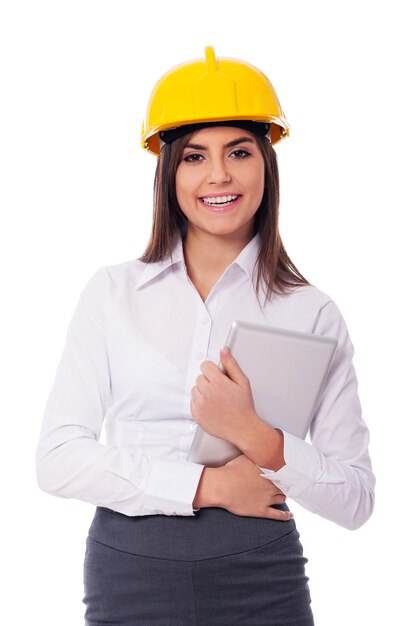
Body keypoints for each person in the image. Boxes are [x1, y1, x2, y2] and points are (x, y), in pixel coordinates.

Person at [35, 46, 375, 626]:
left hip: (260, 573)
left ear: (266, 164)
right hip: (130, 570)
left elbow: (356, 500)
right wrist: (207, 487)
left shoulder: (311, 312)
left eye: (238, 152)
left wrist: (257, 437)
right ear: (169, 173)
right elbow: (58, 459)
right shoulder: (113, 294)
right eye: (195, 156)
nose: (218, 175)